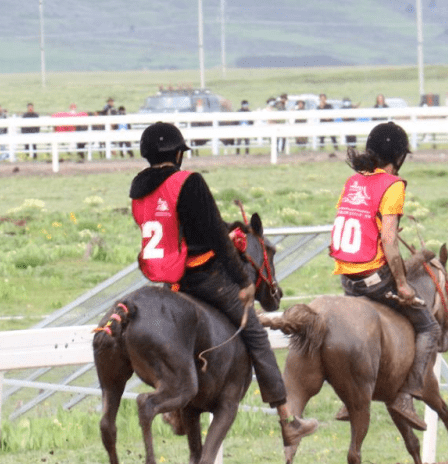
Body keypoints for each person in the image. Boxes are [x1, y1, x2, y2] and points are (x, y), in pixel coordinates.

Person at [129, 122, 319, 446]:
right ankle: (288, 420)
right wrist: (244, 280)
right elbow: (216, 237)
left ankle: (175, 407)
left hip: (170, 286)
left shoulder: (139, 191)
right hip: (205, 280)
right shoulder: (189, 182)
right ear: (177, 154)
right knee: (257, 337)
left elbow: (178, 231)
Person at [330, 122, 440, 431]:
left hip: (346, 280)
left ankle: (348, 396)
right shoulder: (393, 185)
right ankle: (407, 394)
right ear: (398, 157)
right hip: (373, 279)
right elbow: (389, 242)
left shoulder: (353, 181)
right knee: (428, 326)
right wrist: (403, 285)